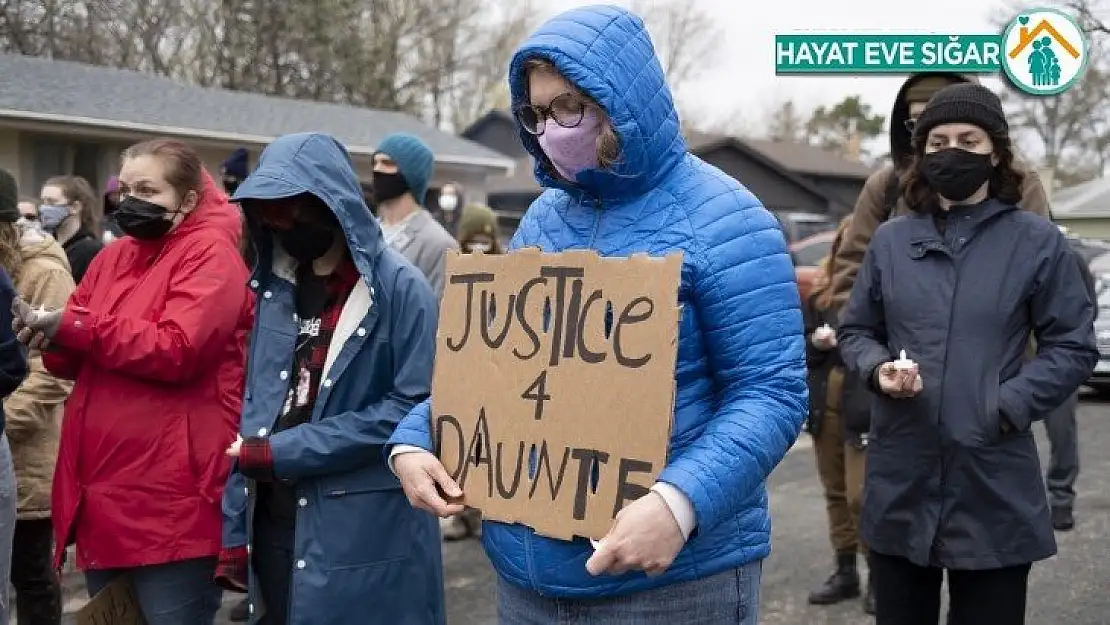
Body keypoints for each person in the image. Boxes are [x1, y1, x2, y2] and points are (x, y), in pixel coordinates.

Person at [388, 6, 808, 624]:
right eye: (536, 113)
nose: (550, 128)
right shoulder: (541, 219)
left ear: (622, 98)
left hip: (671, 584)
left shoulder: (729, 219)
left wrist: (679, 503)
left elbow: (771, 392)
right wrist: (416, 439)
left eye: (569, 107)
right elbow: (505, 368)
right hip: (525, 576)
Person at [836, 83, 1098, 625]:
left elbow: (1072, 345)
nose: (951, 151)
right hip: (901, 475)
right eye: (938, 140)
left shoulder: (1036, 241)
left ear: (996, 151)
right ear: (921, 153)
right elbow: (856, 329)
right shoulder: (891, 240)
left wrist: (1005, 406)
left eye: (968, 139)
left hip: (992, 476)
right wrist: (876, 368)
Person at [12, 139, 254, 625]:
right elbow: (78, 353)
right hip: (107, 495)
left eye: (148, 189)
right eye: (126, 189)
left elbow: (177, 349)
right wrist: (50, 337)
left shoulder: (210, 255)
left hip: (172, 501)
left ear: (186, 199)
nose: (132, 200)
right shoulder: (115, 256)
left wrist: (75, 329)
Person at [217, 132, 445, 625]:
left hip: (362, 526)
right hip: (273, 515)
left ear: (332, 203)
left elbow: (412, 409)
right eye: (268, 213)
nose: (283, 225)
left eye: (293, 209)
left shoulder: (401, 290)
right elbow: (258, 406)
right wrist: (235, 527)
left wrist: (284, 451)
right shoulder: (276, 287)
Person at [827, 73, 1049, 311]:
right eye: (918, 122)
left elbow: (1045, 285)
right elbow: (850, 279)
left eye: (966, 139)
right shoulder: (886, 187)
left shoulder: (1019, 184)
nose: (933, 129)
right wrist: (869, 344)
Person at [0, 170, 75, 625]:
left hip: (28, 455)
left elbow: (56, 371)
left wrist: (5, 419)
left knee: (31, 577)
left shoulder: (43, 271)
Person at [802, 216, 874, 615]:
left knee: (861, 494)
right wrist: (817, 340)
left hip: (863, 403)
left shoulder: (879, 286)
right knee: (833, 491)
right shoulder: (821, 293)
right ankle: (845, 570)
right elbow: (805, 350)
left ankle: (878, 573)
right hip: (825, 402)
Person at [372, 133, 458, 296]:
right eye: (375, 162)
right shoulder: (366, 232)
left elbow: (440, 312)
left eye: (387, 163)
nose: (377, 169)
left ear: (411, 174)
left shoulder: (439, 244)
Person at [37, 176, 103, 284]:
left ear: (75, 207)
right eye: (43, 202)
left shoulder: (90, 251)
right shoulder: (45, 244)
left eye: (51, 202)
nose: (43, 208)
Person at [101, 176, 123, 244]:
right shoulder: (105, 219)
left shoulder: (128, 215)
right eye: (112, 194)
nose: (115, 197)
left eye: (118, 193)